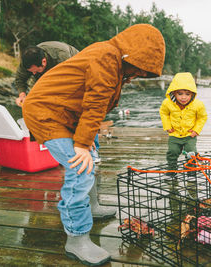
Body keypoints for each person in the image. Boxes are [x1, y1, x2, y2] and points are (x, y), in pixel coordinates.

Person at [22, 24, 165, 266]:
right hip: (46, 112)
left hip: (66, 112)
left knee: (91, 158)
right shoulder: (107, 57)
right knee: (80, 169)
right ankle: (77, 238)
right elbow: (95, 102)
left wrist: (86, 142)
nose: (140, 74)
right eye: (141, 68)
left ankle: (92, 205)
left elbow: (92, 103)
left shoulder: (115, 60)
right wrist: (81, 144)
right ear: (134, 53)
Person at [15, 42, 103, 163]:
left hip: (78, 73)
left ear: (44, 62)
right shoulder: (28, 61)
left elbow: (76, 89)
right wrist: (22, 95)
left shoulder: (63, 56)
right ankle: (64, 148)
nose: (33, 74)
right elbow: (20, 79)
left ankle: (93, 150)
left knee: (81, 109)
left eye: (35, 71)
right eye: (31, 72)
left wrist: (86, 135)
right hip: (48, 77)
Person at [159, 72, 208, 174]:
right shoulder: (167, 103)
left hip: (190, 135)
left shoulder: (198, 104)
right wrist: (167, 126)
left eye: (187, 94)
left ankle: (191, 171)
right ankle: (172, 170)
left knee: (191, 153)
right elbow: (164, 113)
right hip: (174, 134)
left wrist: (196, 130)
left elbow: (202, 117)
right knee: (172, 152)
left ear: (193, 94)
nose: (183, 97)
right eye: (180, 94)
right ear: (173, 93)